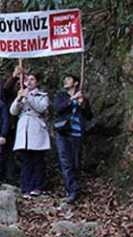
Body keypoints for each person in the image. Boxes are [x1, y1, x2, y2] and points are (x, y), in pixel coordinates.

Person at [54, 74, 93, 204]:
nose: (66, 81)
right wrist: (72, 100)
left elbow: (89, 116)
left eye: (69, 79)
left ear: (76, 83)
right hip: (63, 133)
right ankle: (72, 191)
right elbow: (58, 109)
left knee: (75, 162)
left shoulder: (82, 98)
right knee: (66, 162)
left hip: (76, 134)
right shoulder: (62, 96)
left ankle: (72, 188)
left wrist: (83, 105)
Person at [10, 72, 50, 199]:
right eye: (28, 79)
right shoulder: (21, 94)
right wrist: (18, 99)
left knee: (37, 160)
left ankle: (38, 186)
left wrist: (29, 97)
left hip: (36, 127)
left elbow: (41, 108)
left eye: (33, 79)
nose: (30, 82)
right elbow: (13, 111)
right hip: (24, 129)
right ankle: (26, 187)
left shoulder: (42, 96)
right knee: (26, 161)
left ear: (37, 82)